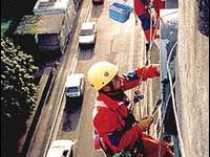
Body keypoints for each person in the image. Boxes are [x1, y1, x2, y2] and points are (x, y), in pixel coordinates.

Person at [87, 61, 174, 157]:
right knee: (160, 152)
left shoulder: (114, 89)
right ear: (107, 88)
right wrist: (139, 127)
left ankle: (168, 150)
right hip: (127, 148)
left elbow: (134, 76)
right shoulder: (103, 115)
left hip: (131, 134)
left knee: (161, 148)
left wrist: (155, 70)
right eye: (115, 78)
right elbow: (118, 145)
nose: (120, 78)